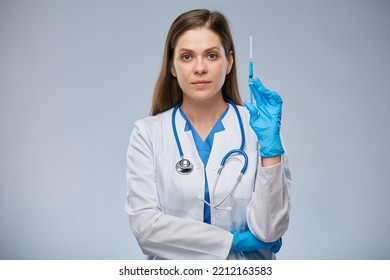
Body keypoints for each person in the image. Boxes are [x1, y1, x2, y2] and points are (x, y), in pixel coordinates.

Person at [125, 9, 291, 260]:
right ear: (172, 65)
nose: (200, 68)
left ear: (230, 62)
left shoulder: (259, 128)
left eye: (212, 55)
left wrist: (271, 152)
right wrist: (231, 241)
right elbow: (145, 228)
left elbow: (269, 230)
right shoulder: (147, 134)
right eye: (187, 57)